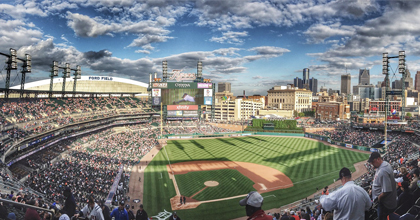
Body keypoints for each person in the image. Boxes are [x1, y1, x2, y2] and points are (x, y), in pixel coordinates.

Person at [369, 152, 397, 220]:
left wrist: (378, 198)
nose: (371, 163)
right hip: (387, 202)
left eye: (373, 161)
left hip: (384, 204)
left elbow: (387, 190)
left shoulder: (383, 171)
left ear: (378, 159)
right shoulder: (384, 164)